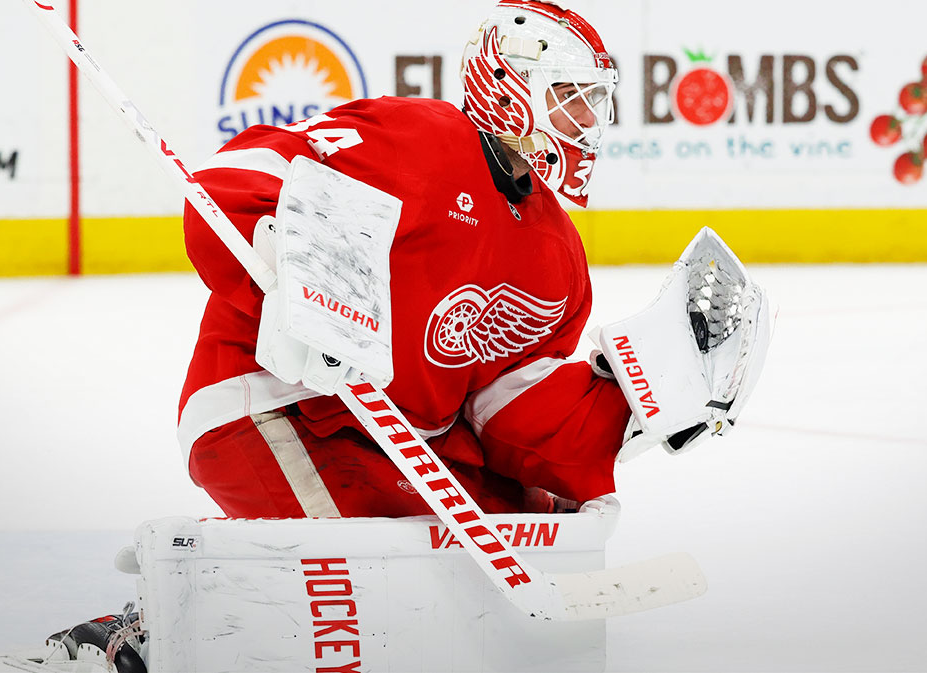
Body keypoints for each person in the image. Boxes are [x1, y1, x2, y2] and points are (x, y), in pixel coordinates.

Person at [179, 0, 631, 519]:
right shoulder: (415, 138)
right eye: (569, 95)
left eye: (595, 100)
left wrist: (630, 408)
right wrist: (299, 272)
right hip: (277, 406)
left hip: (408, 448)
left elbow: (507, 408)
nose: (587, 118)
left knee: (528, 522)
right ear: (511, 85)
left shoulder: (559, 254)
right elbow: (242, 173)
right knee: (401, 565)